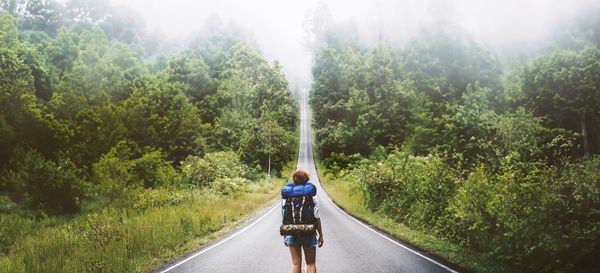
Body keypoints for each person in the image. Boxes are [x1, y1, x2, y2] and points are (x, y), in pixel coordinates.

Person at [282, 170, 324, 273]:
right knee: (310, 263)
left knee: (296, 263)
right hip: (308, 231)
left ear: (294, 181)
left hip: (292, 231)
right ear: (306, 181)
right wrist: (321, 235)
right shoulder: (312, 196)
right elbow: (316, 216)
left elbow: (284, 215)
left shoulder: (287, 196)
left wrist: (285, 235)